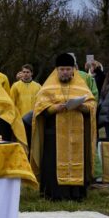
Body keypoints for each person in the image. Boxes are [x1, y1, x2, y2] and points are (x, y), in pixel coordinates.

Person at [30, 53, 97, 201]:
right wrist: (54, 108)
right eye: (62, 69)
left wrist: (80, 107)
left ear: (73, 70)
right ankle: (54, 193)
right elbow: (39, 109)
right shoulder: (48, 87)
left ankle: (76, 194)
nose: (65, 72)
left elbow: (92, 106)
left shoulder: (81, 87)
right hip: (54, 133)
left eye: (68, 69)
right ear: (57, 70)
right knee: (52, 163)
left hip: (77, 134)